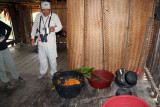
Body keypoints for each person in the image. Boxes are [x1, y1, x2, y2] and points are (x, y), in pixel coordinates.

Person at [30, 1, 63, 79]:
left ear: (50, 9)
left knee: (52, 59)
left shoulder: (54, 16)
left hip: (50, 42)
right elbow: (34, 27)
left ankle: (53, 73)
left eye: (47, 10)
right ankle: (43, 72)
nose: (45, 12)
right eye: (43, 10)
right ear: (41, 9)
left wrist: (54, 28)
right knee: (42, 58)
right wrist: (32, 38)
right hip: (41, 41)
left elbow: (60, 26)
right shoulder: (38, 16)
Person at [0, 21, 24, 89]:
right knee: (1, 68)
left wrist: (6, 37)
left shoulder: (0, 23)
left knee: (11, 64)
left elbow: (9, 28)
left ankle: (16, 76)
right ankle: (5, 80)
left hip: (5, 48)